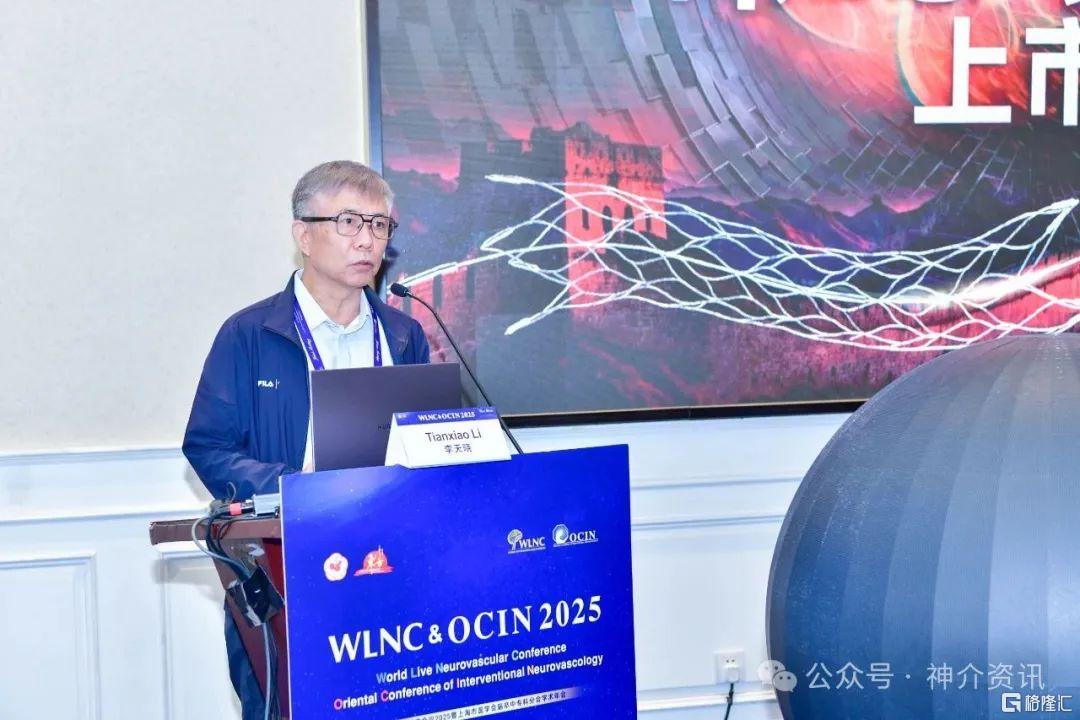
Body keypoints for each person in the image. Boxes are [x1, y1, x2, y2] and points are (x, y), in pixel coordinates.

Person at [182, 160, 430, 718]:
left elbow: (433, 439)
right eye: (349, 222)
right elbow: (208, 446)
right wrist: (300, 487)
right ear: (303, 235)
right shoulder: (249, 334)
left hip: (392, 564)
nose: (367, 240)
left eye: (379, 225)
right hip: (286, 566)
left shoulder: (404, 333)